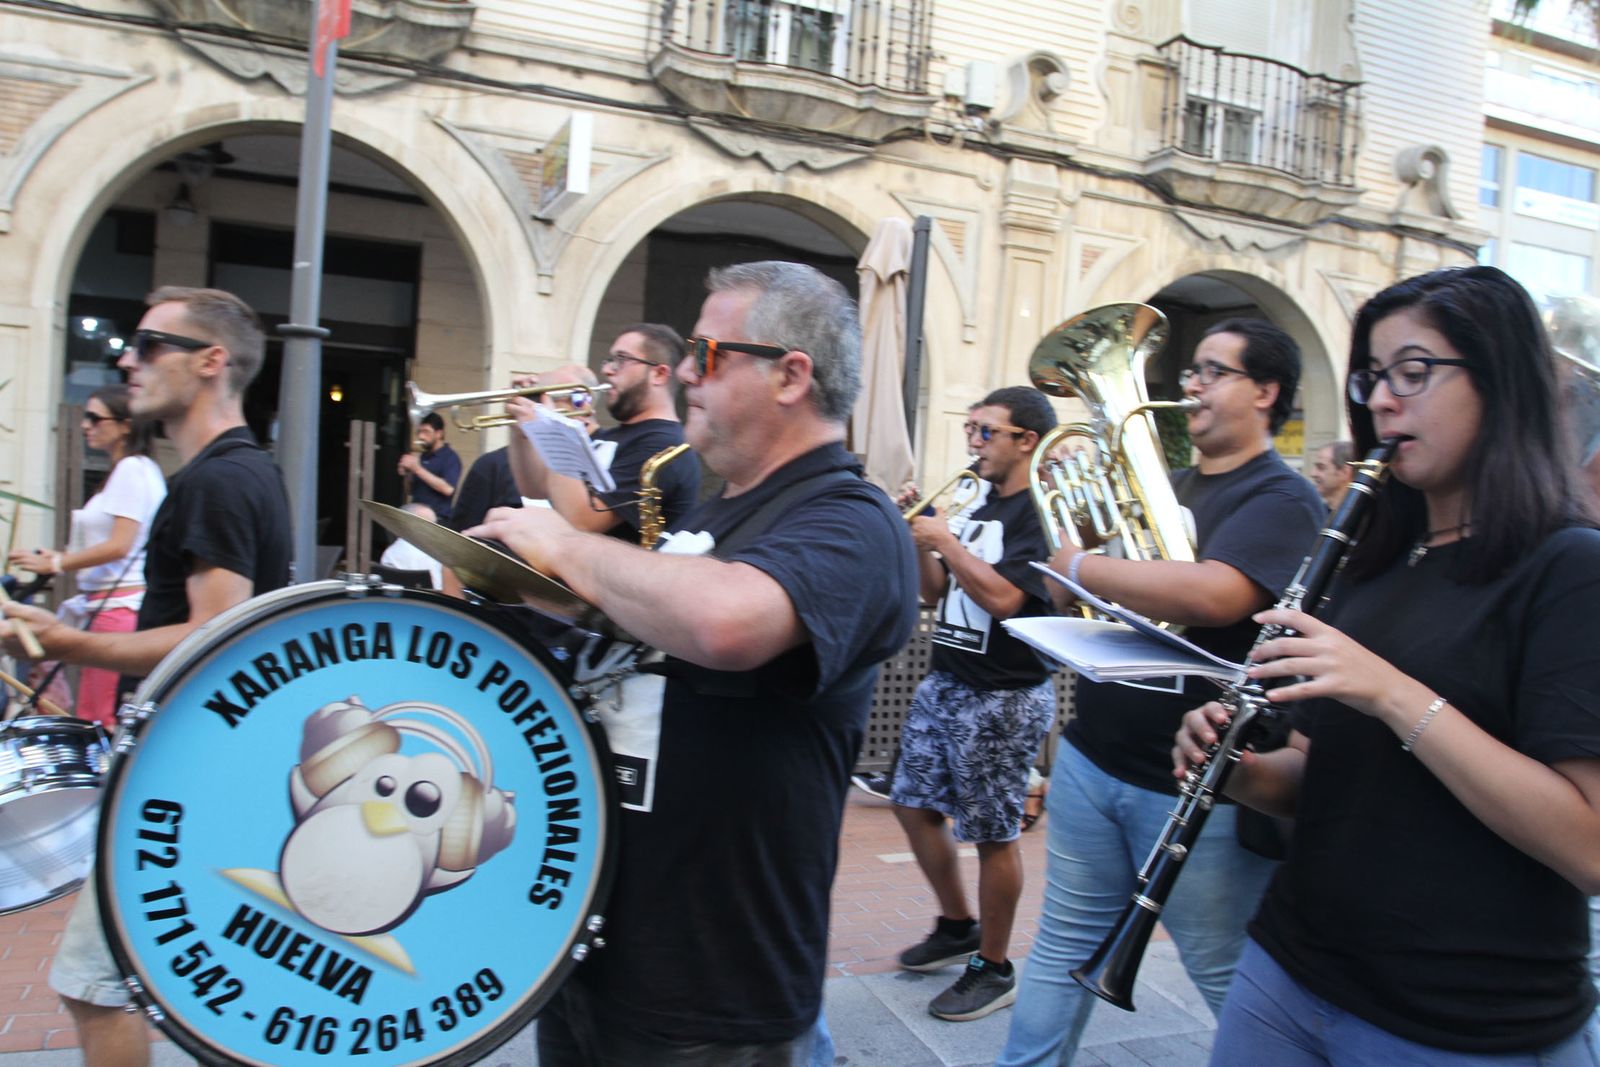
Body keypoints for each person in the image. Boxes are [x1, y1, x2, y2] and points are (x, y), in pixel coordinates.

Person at [469, 261, 918, 1064]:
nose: (682, 372)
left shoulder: (854, 520)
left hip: (713, 998)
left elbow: (725, 621)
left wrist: (567, 544)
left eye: (708, 354)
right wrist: (522, 582)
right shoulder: (721, 510)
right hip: (595, 956)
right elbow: (642, 628)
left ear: (790, 374)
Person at [1173, 266, 1600, 1065]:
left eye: (1414, 371)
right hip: (1289, 970)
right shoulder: (1371, 560)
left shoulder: (1570, 567)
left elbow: (1588, 846)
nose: (1380, 400)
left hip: (1460, 1019)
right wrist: (1240, 771)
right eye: (1372, 376)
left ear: (1500, 380)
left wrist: (1395, 694)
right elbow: (1323, 774)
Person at [998, 318, 1325, 1065]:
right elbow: (1105, 604)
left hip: (1194, 780)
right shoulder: (1165, 486)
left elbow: (1214, 594)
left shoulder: (1285, 498)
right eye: (1192, 372)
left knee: (1223, 968)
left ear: (1266, 392)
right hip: (1094, 754)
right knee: (1061, 947)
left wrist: (1079, 567)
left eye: (1214, 372)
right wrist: (1078, 580)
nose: (1191, 385)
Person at [1, 285, 291, 1067]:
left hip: (181, 771)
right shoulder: (231, 473)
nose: (128, 359)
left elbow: (211, 633)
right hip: (194, 767)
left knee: (94, 982)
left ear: (211, 361)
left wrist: (68, 642)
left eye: (150, 343)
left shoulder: (220, 481)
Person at [890, 386, 1058, 1022]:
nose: (973, 443)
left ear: (1026, 442)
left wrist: (949, 541)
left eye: (987, 432)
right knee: (910, 803)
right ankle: (957, 925)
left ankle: (994, 965)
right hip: (947, 680)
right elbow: (936, 593)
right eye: (970, 429)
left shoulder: (1041, 516)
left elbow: (1007, 599)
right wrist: (921, 541)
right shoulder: (976, 501)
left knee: (992, 833)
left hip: (1005, 694)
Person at [7, 385, 164, 727]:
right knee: (95, 715)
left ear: (126, 424)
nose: (85, 425)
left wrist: (58, 563)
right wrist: (58, 558)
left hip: (116, 610)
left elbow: (120, 545)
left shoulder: (132, 470)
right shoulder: (130, 471)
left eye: (94, 417)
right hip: (109, 607)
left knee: (101, 719)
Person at [507, 325, 700, 544]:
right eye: (609, 360)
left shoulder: (663, 446)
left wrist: (554, 429)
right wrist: (522, 433)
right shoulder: (608, 438)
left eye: (621, 359)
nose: (608, 370)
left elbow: (583, 521)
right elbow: (535, 490)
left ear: (659, 373)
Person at [399, 410, 461, 524]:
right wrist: (408, 473)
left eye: (426, 432)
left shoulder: (450, 457)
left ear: (439, 433)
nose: (421, 436)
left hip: (437, 520)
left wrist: (417, 469)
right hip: (416, 517)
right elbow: (409, 491)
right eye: (419, 432)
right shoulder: (422, 457)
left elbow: (448, 489)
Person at [377, 501, 443, 588]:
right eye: (430, 524)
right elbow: (439, 588)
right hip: (430, 599)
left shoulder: (390, 553)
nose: (434, 529)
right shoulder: (434, 554)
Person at [1307, 439, 1354, 512]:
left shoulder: (1365, 518)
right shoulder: (1317, 515)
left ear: (1345, 472)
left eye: (1321, 467)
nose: (1313, 473)